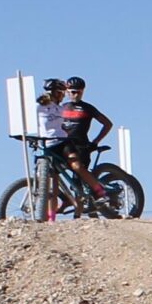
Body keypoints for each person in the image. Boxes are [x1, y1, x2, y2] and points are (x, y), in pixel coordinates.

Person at [52, 77, 116, 208]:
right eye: (71, 91)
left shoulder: (87, 108)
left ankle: (97, 195)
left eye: (78, 92)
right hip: (64, 146)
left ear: (82, 92)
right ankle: (66, 201)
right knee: (52, 173)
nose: (74, 95)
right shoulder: (61, 108)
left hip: (82, 147)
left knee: (78, 177)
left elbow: (107, 124)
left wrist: (96, 141)